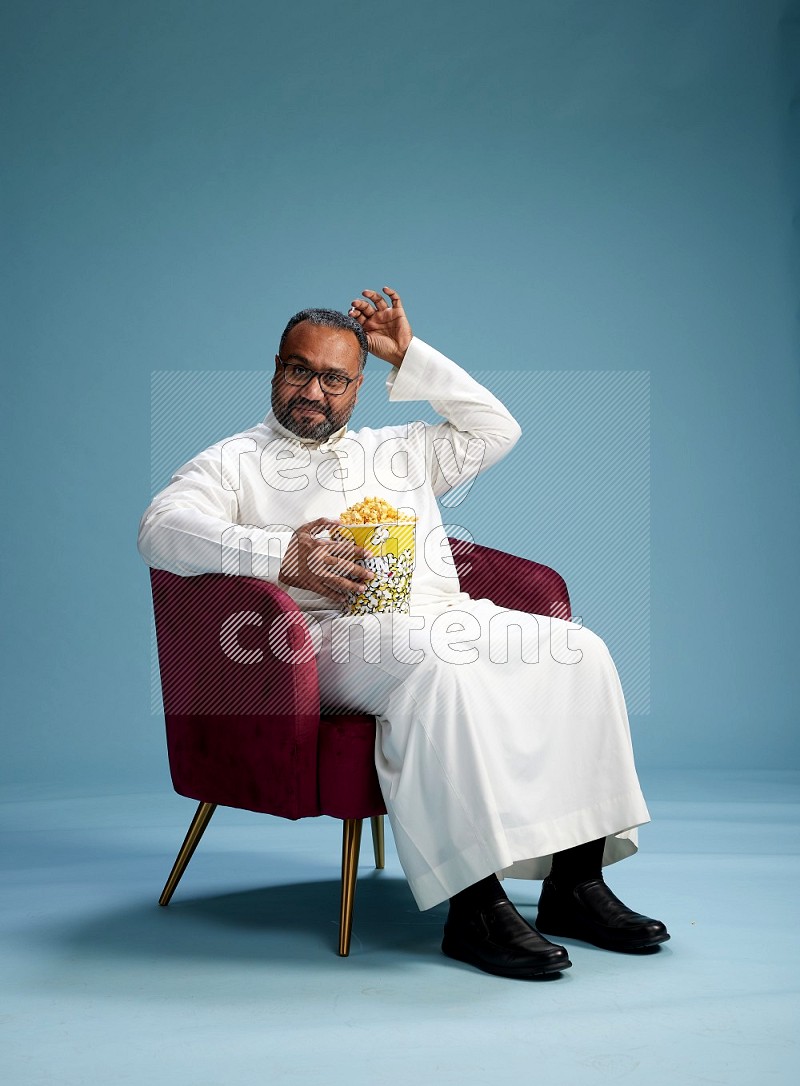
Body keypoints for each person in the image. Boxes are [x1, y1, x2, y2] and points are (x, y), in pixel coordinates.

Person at [138, 285, 669, 979]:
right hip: (321, 638)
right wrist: (282, 555)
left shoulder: (401, 450)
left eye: (334, 378)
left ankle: (577, 883)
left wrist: (410, 354)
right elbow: (161, 530)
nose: (314, 391)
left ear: (360, 388)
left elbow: (496, 429)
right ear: (276, 369)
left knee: (579, 651)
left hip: (438, 616)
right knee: (436, 666)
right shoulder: (232, 461)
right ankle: (473, 906)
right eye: (300, 370)